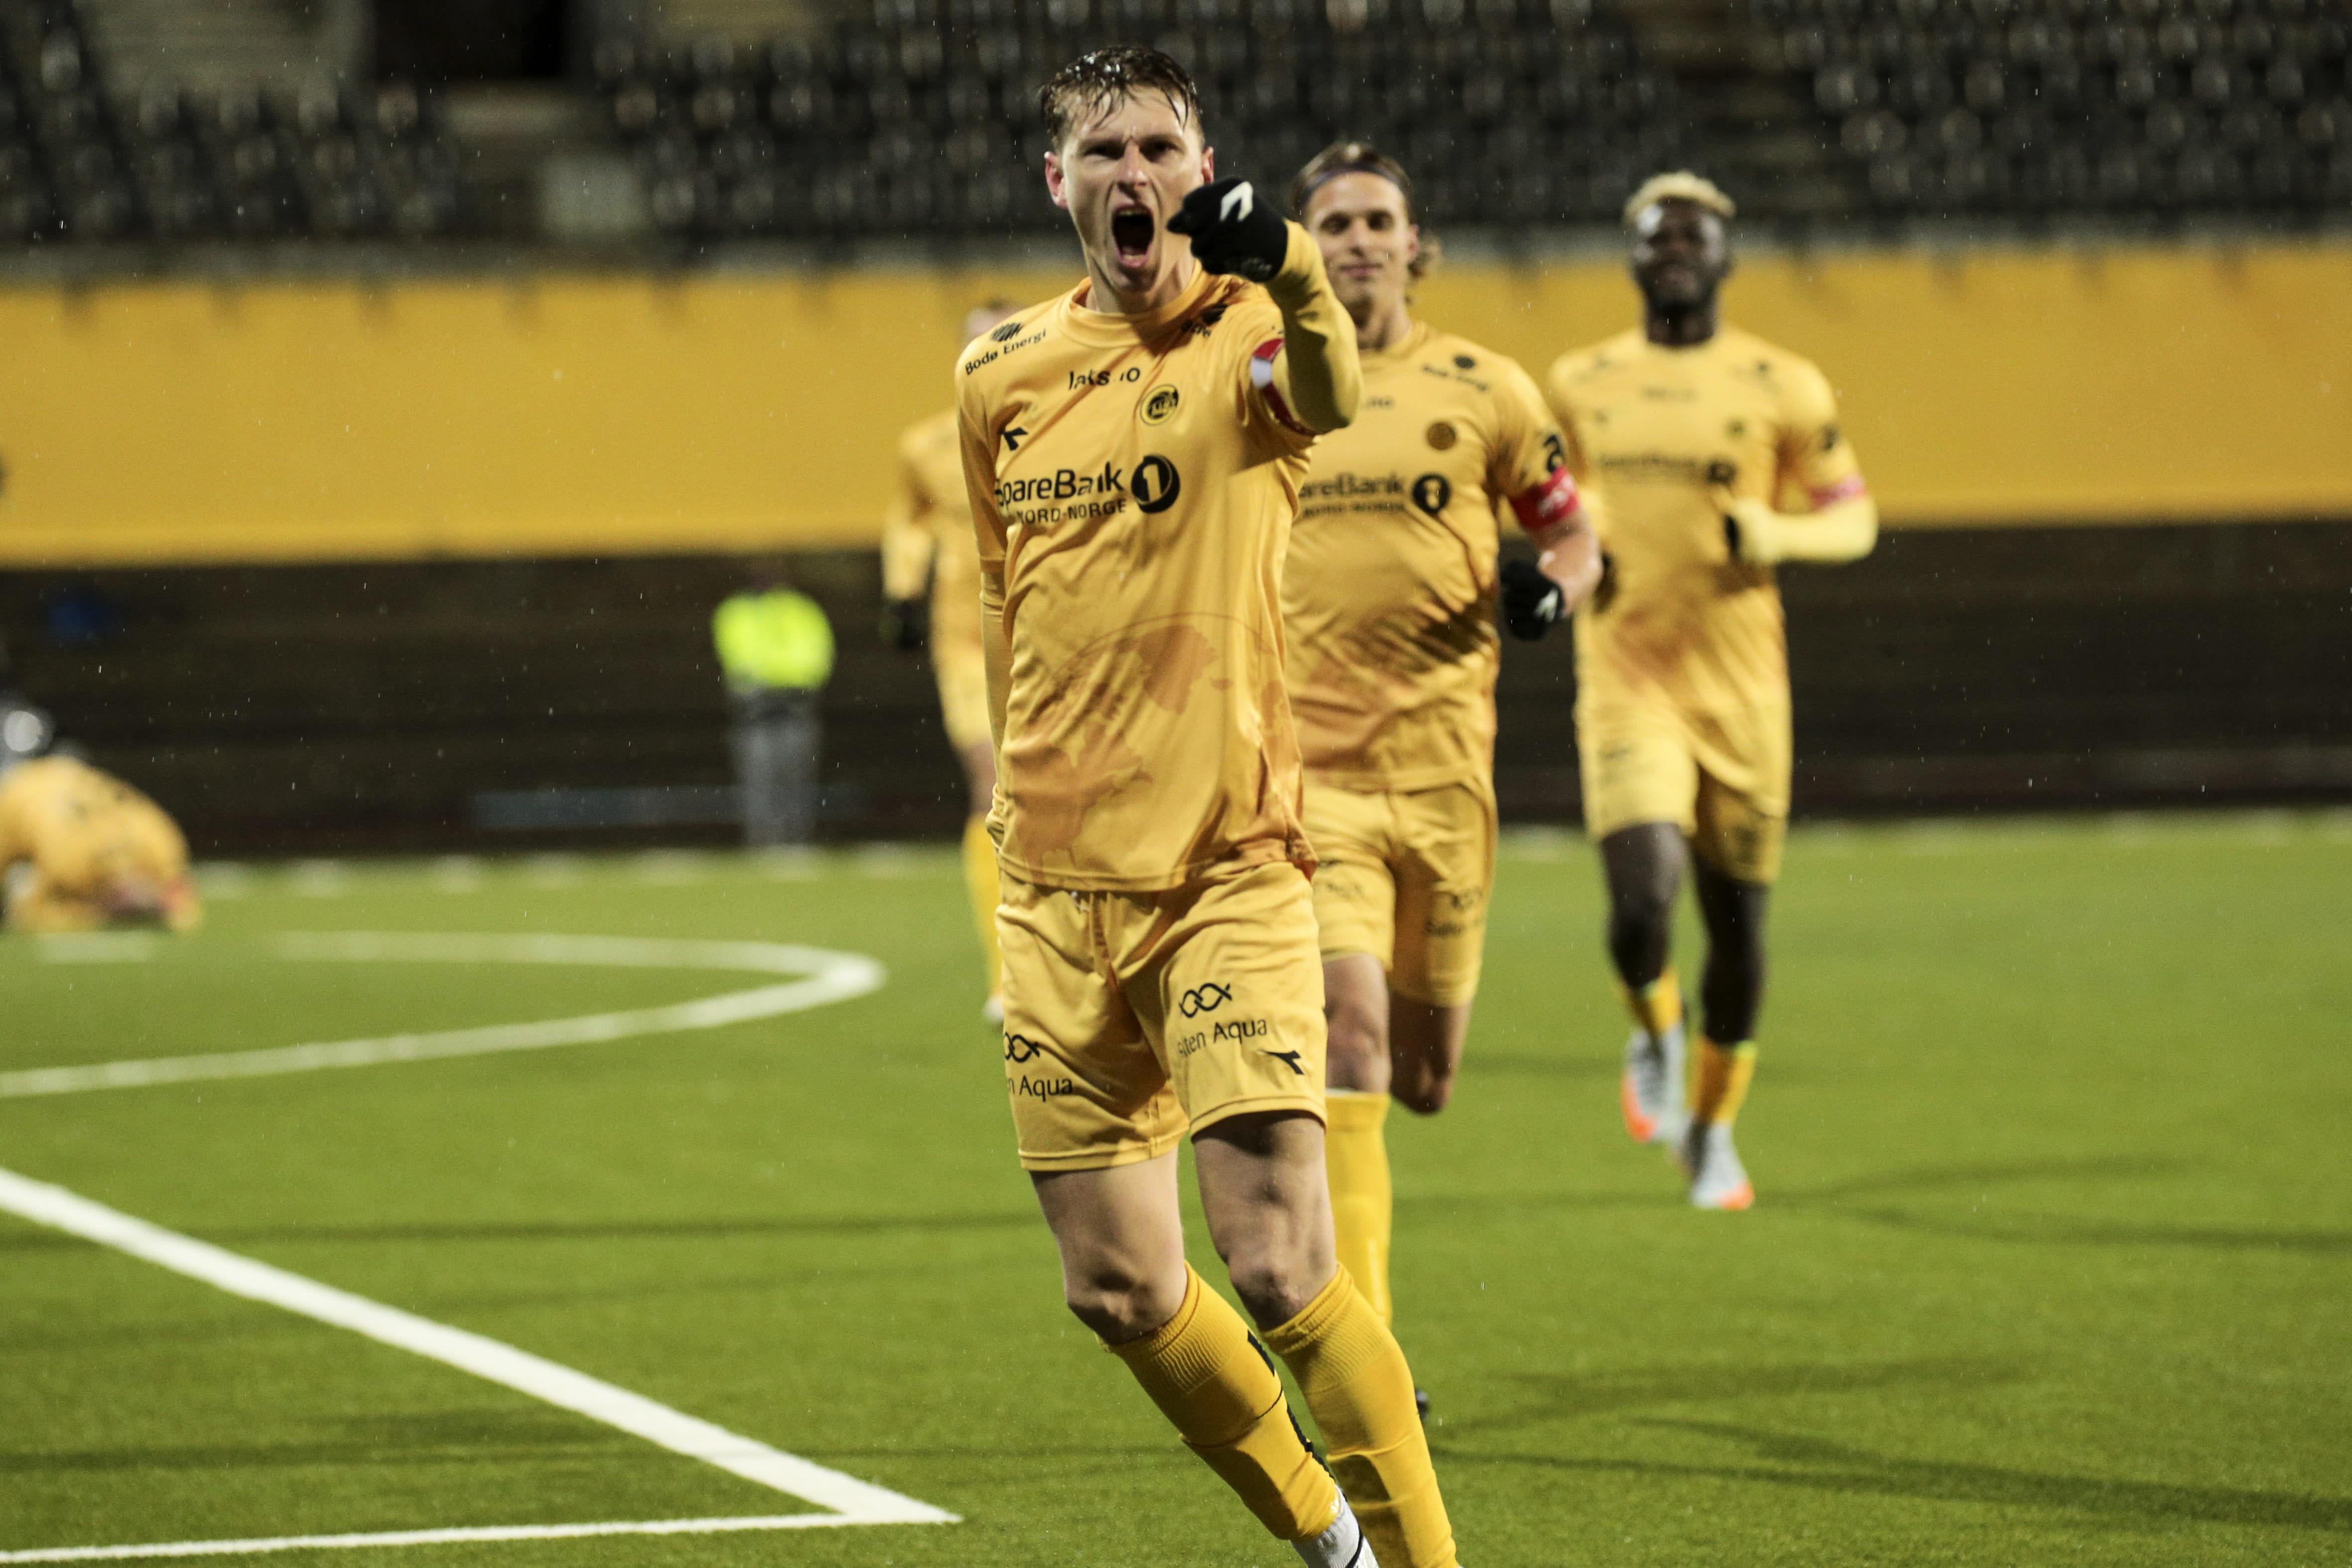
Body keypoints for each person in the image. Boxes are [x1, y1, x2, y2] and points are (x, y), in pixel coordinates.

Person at [957, 46, 1457, 1568]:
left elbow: (1329, 388)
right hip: (1054, 890)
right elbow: (1003, 597)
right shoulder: (996, 377)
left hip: (1221, 870)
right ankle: (1330, 1538)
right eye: (1103, 150)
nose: (1133, 175)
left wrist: (1292, 265)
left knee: (1279, 1258)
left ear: (1200, 172)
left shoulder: (1245, 330)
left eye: (1158, 149)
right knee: (1115, 1288)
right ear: (1056, 181)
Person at [1281, 142, 1599, 1346]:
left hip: (1445, 779)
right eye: (1334, 223)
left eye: (1377, 220)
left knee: (1422, 1077)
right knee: (1347, 1033)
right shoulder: (1269, 387)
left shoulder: (1486, 387)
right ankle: (1364, 1347)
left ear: (1415, 244)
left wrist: (1552, 591)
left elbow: (1574, 535)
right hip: (1313, 779)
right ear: (1303, 249)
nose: (1358, 240)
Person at [1544, 172, 1878, 1209]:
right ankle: (1654, 1029)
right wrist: (1581, 533)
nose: (1675, 252)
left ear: (1725, 258)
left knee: (1736, 932)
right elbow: (1552, 501)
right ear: (1633, 259)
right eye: (1657, 237)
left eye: (1693, 238)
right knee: (1641, 902)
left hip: (1741, 693)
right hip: (1626, 677)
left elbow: (1854, 516)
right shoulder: (1580, 380)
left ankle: (1712, 1128)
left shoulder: (1783, 382)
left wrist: (1773, 531)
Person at [882, 301, 1020, 1019]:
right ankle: (1006, 973)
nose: (990, 354)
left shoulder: (1066, 431)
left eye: (1005, 340)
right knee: (990, 785)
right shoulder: (927, 445)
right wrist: (902, 589)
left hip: (1053, 636)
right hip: (967, 639)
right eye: (978, 343)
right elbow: (910, 519)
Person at [0, 748, 202, 934]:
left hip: (65, 779)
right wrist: (93, 916)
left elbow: (181, 902)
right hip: (16, 792)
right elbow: (26, 914)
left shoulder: (161, 842)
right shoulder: (68, 862)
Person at [711, 561, 834, 847]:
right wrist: (778, 679)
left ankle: (796, 840)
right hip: (756, 710)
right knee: (760, 779)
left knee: (795, 777)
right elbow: (738, 656)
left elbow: (815, 656)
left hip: (795, 705)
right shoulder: (736, 612)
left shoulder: (801, 610)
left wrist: (780, 680)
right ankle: (763, 841)